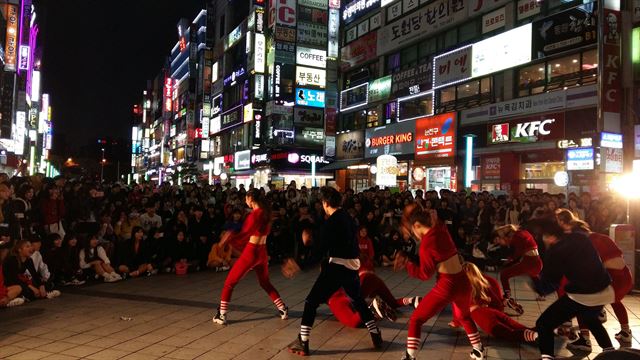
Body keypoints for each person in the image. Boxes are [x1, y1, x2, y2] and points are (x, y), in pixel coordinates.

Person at [288, 187, 382, 356]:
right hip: (352, 265)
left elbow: (320, 250)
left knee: (311, 302)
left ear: (325, 203)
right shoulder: (347, 216)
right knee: (358, 300)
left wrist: (300, 265)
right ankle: (375, 334)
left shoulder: (332, 221)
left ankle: (303, 341)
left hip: (338, 266)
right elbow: (333, 239)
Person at [396, 204, 485, 360]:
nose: (414, 234)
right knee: (464, 317)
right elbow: (433, 215)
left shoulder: (426, 245)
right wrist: (414, 214)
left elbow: (425, 275)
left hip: (447, 285)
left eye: (413, 230)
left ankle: (410, 356)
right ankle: (478, 350)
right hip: (463, 281)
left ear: (417, 225)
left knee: (416, 319)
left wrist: (408, 265)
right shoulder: (441, 229)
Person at [531, 217, 614, 360]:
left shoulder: (555, 251)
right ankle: (610, 351)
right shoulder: (579, 237)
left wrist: (534, 282)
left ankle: (547, 357)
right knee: (589, 317)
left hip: (583, 294)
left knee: (543, 324)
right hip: (605, 289)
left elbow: (549, 284)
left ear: (548, 236)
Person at [556, 209, 633, 350]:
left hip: (612, 282)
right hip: (625, 278)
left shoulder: (584, 243)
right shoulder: (601, 237)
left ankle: (585, 339)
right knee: (615, 300)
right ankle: (626, 331)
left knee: (578, 299)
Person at [212, 189, 288, 325]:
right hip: (262, 252)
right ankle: (282, 308)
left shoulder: (254, 215)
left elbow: (245, 234)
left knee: (229, 283)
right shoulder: (266, 213)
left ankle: (222, 315)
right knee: (265, 282)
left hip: (251, 252)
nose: (245, 201)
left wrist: (229, 237)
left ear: (250, 198)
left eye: (246, 198)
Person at [454, 262, 537, 343]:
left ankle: (536, 337)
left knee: (509, 333)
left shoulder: (462, 288)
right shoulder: (484, 283)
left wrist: (456, 322)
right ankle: (542, 332)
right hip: (492, 311)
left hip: (480, 315)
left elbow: (458, 312)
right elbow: (497, 302)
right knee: (520, 327)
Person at [494, 224, 542, 314]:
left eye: (501, 237)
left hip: (530, 263)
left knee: (504, 274)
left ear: (507, 235)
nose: (501, 240)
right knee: (533, 276)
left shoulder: (517, 238)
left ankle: (507, 297)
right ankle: (542, 292)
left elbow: (517, 255)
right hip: (537, 262)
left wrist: (508, 261)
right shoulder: (524, 232)